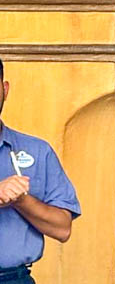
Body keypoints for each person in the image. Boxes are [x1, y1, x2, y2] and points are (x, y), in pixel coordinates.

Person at [0, 57, 80, 283]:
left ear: (5, 90)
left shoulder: (37, 151)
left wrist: (21, 201)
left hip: (15, 279)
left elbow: (62, 229)